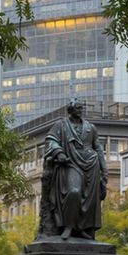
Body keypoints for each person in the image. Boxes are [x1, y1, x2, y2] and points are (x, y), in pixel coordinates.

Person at [39, 98, 107, 240]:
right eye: (78, 108)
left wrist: (104, 171)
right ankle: (68, 226)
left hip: (91, 165)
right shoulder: (61, 125)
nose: (81, 110)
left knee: (90, 200)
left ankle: (81, 229)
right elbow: (51, 140)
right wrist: (59, 153)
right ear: (70, 110)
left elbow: (98, 148)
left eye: (82, 108)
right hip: (71, 163)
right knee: (74, 191)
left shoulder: (91, 127)